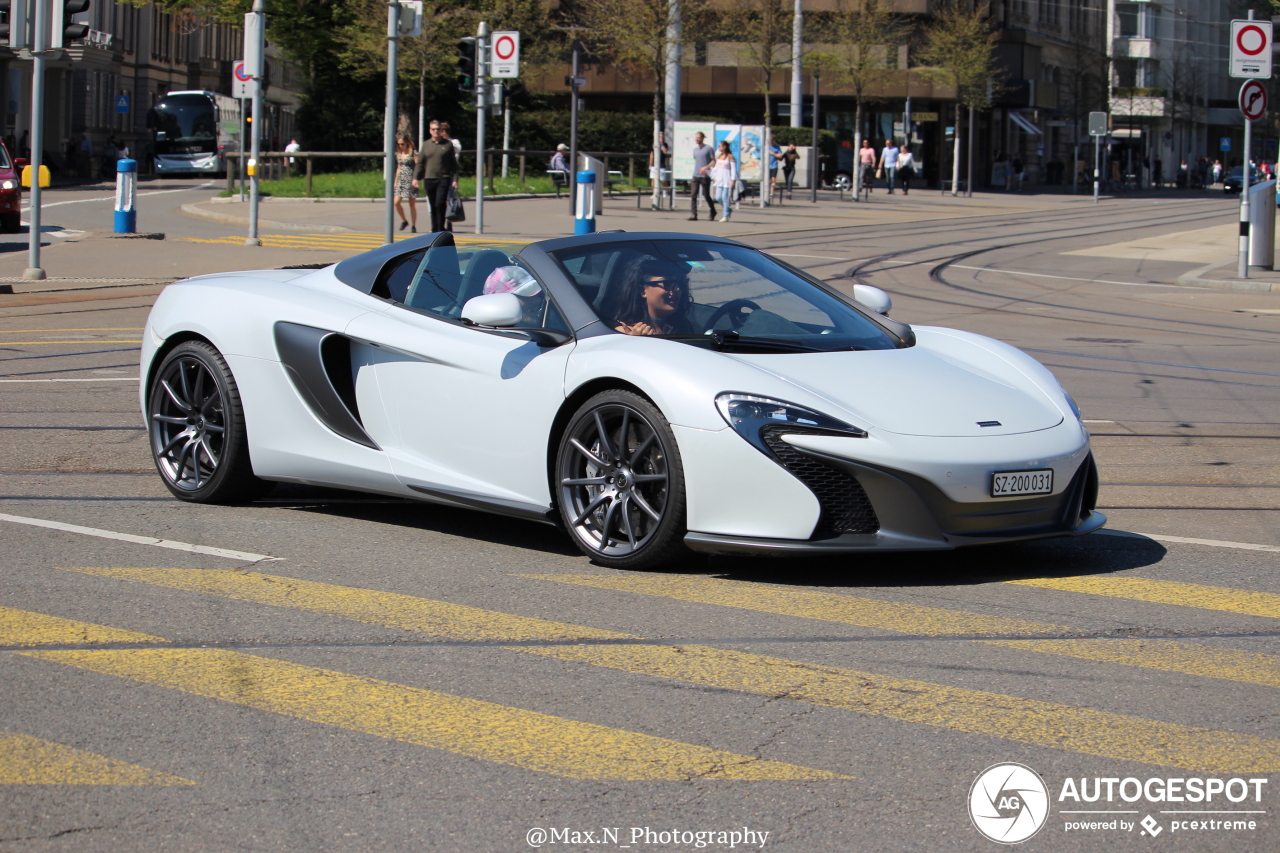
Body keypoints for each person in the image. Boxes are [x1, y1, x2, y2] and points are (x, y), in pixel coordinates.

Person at [603, 257, 697, 336]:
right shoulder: (625, 332)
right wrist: (634, 342)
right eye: (667, 283)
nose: (677, 289)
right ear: (642, 290)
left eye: (681, 283)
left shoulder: (685, 327)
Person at [416, 119, 458, 234]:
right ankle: (434, 228)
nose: (436, 131)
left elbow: (453, 164)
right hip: (429, 178)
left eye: (438, 129)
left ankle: (440, 227)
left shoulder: (448, 145)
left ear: (441, 130)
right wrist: (415, 178)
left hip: (443, 178)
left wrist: (455, 179)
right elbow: (420, 163)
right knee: (433, 204)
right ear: (430, 131)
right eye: (433, 129)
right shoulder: (426, 145)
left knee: (440, 202)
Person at [392, 134, 419, 232]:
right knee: (396, 202)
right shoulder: (399, 154)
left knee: (411, 204)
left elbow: (417, 166)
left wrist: (416, 179)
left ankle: (413, 226)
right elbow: (399, 168)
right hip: (401, 180)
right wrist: (395, 182)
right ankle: (404, 220)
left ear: (407, 143)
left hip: (410, 179)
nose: (400, 146)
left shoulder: (413, 153)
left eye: (402, 144)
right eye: (399, 144)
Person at [688, 131, 717, 221]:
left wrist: (706, 167)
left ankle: (712, 211)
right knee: (693, 194)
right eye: (696, 138)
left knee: (706, 195)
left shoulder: (708, 148)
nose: (697, 139)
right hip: (696, 175)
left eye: (698, 138)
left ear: (702, 138)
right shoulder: (695, 150)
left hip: (705, 175)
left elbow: (713, 161)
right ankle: (694, 214)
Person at [710, 140, 737, 222]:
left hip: (727, 179)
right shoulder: (719, 156)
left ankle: (725, 216)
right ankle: (728, 209)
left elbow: (733, 169)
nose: (719, 148)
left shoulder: (730, 156)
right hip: (719, 179)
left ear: (724, 146)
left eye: (720, 146)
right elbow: (716, 168)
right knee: (718, 197)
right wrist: (714, 177)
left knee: (725, 197)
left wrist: (733, 180)